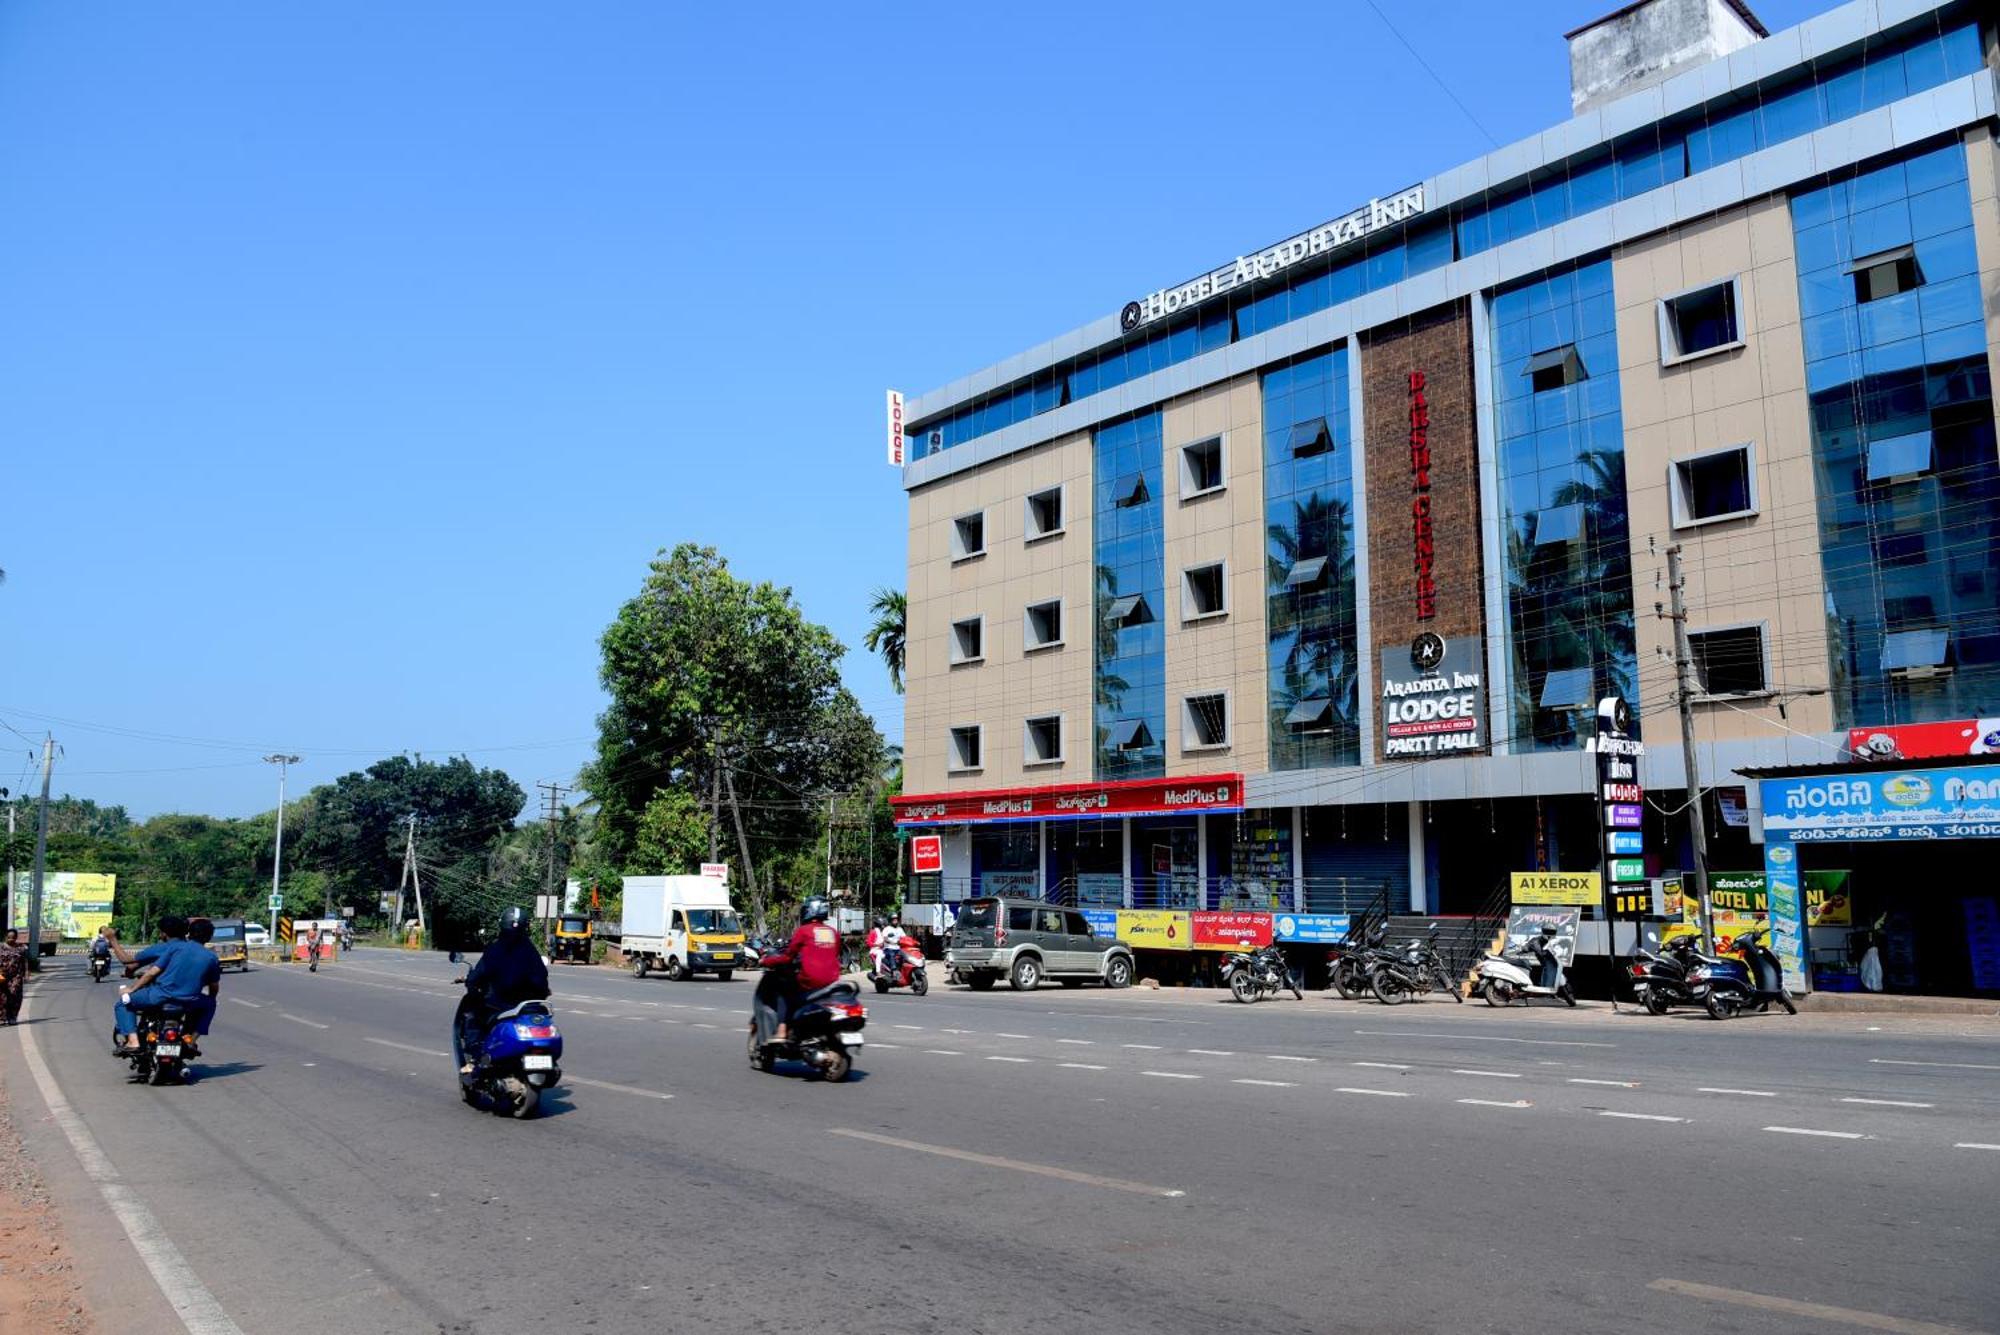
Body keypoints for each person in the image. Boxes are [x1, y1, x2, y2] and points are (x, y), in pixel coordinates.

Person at [456, 906, 550, 1074]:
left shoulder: (495, 950)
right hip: (532, 1006)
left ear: (502, 925)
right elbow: (543, 977)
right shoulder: (531, 950)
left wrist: (471, 983)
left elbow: (478, 975)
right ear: (525, 926)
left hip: (501, 1005)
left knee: (472, 1014)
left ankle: (475, 1058)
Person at [104, 919, 210, 1052]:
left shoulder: (164, 948)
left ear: (164, 934)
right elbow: (211, 982)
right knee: (208, 1004)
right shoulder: (194, 951)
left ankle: (133, 1040)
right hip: (188, 998)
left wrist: (112, 939)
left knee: (124, 1003)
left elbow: (135, 965)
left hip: (161, 993)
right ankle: (190, 1038)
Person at [753, 896, 842, 1046]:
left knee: (784, 992)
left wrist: (765, 961)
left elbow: (787, 957)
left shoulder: (804, 931)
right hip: (832, 983)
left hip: (810, 983)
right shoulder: (833, 932)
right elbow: (834, 953)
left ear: (809, 911)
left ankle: (782, 1031)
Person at [183, 918, 224, 1051]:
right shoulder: (210, 957)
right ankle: (192, 1040)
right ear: (209, 936)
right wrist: (212, 998)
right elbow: (214, 986)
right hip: (191, 999)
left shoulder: (176, 949)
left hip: (163, 995)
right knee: (210, 1004)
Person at [0, 929, 27, 1025]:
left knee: (14, 995)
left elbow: (24, 962)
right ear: (6, 937)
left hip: (16, 975)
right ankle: (2, 1017)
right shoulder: (1, 947)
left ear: (16, 938)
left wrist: (26, 973)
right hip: (2, 975)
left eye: (13, 937)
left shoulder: (21, 948)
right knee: (2, 996)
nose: (11, 939)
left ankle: (12, 1017)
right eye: (9, 937)